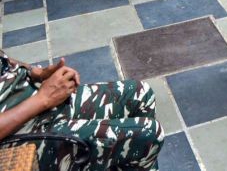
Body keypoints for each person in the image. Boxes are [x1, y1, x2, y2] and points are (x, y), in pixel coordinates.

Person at [0, 52, 164, 170]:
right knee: (149, 134)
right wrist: (42, 99)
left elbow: (4, 62)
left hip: (34, 99)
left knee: (140, 93)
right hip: (19, 133)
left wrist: (36, 72)